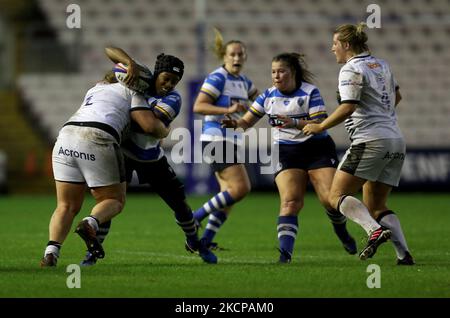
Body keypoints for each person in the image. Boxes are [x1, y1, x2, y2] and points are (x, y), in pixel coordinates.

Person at [79, 47, 217, 265]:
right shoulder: (138, 82)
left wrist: (136, 98)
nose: (170, 84)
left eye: (175, 80)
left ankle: (194, 241)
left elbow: (147, 127)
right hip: (123, 153)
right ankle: (91, 255)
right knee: (110, 201)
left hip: (151, 158)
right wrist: (129, 62)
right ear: (156, 74)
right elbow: (109, 50)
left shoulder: (173, 98)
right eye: (167, 78)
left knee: (179, 203)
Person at [221, 52, 357, 263]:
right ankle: (285, 256)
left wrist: (293, 123)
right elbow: (247, 122)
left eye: (281, 71)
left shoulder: (310, 92)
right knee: (290, 202)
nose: (276, 76)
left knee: (330, 200)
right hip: (286, 151)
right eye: (273, 72)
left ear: (292, 72)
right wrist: (236, 124)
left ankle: (342, 232)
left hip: (317, 147)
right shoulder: (268, 96)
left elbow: (319, 124)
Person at [303, 22, 414, 264]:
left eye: (334, 44)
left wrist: (320, 126)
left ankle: (373, 232)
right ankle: (403, 255)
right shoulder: (382, 64)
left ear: (346, 45)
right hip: (395, 140)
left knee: (336, 195)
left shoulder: (351, 69)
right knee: (376, 204)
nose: (332, 49)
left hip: (370, 141)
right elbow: (397, 96)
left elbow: (348, 106)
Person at [40, 61, 170, 267]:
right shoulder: (133, 93)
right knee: (114, 200)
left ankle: (51, 252)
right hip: (98, 137)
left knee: (66, 205)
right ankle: (90, 223)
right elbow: (149, 126)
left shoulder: (95, 88)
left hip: (65, 137)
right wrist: (164, 129)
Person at [192, 28, 259, 249]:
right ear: (224, 57)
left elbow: (260, 101)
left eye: (240, 54)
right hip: (216, 138)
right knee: (241, 189)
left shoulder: (245, 82)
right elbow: (199, 106)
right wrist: (228, 109)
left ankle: (205, 241)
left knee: (228, 196)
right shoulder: (217, 77)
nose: (237, 57)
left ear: (245, 57)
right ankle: (194, 216)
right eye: (232, 54)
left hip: (231, 140)